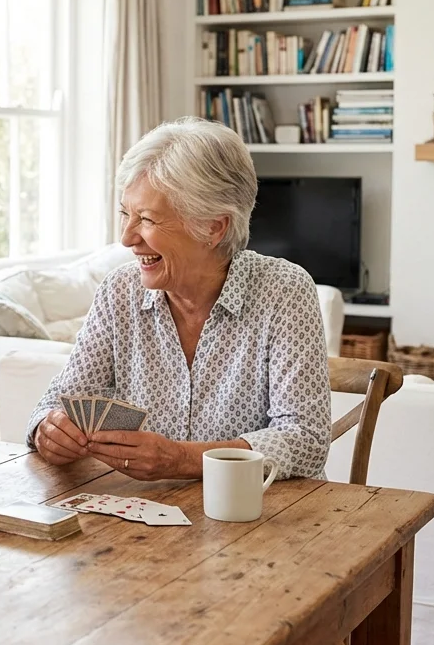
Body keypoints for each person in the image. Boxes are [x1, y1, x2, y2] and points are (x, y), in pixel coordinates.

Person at [26, 117, 330, 481]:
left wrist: (182, 459)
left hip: (262, 519)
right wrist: (49, 430)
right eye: (126, 214)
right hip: (142, 522)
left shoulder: (284, 291)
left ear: (214, 228)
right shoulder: (119, 291)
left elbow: (306, 440)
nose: (126, 238)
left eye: (148, 219)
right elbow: (58, 402)